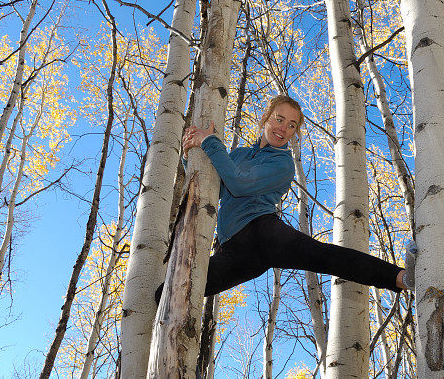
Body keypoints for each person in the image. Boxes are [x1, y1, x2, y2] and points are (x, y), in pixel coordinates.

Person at [155, 94, 415, 303]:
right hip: (235, 252)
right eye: (279, 119)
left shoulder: (283, 164)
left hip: (263, 233)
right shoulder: (240, 155)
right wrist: (192, 156)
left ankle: (402, 277)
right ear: (265, 118)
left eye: (292, 125)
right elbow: (218, 189)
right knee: (169, 292)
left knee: (325, 257)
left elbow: (239, 183)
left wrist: (211, 142)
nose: (284, 129)